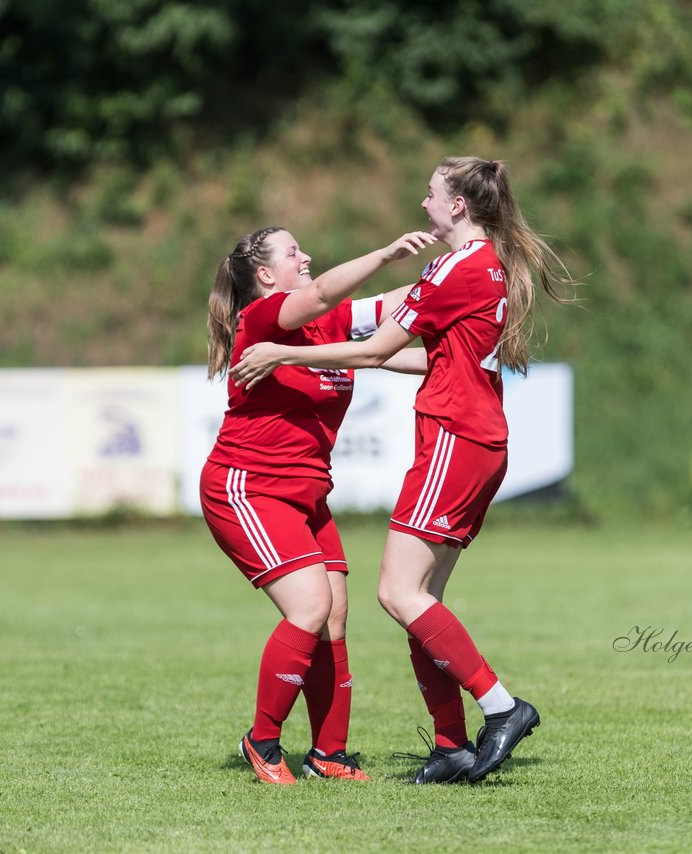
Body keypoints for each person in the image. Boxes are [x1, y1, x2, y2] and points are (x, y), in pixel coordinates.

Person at [232, 156, 575, 784]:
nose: (424, 204)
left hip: (454, 436)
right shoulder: (483, 265)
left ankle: (501, 709)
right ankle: (449, 745)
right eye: (293, 251)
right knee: (421, 601)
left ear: (459, 206)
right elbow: (420, 353)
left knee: (398, 593)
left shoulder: (451, 266)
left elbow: (373, 341)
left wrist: (287, 352)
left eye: (430, 194)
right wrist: (377, 308)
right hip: (475, 437)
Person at [203, 225, 435, 785]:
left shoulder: (330, 325)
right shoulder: (261, 319)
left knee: (333, 615)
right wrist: (382, 252)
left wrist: (466, 267)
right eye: (292, 252)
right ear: (265, 275)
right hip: (247, 487)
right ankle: (261, 740)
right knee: (308, 606)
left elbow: (404, 305)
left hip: (306, 496)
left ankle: (329, 752)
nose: (305, 256)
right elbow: (324, 292)